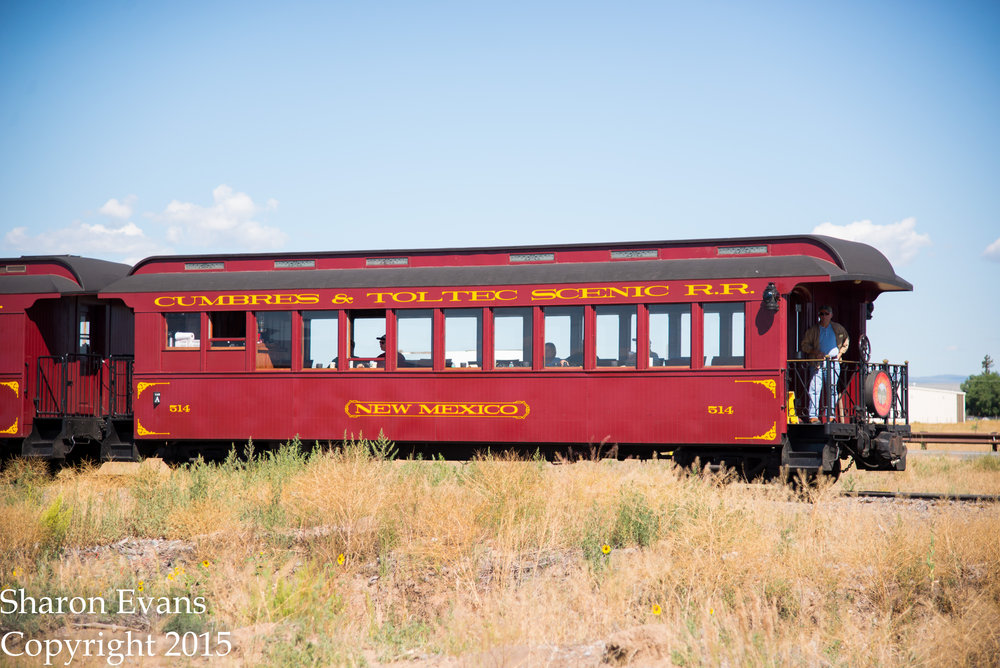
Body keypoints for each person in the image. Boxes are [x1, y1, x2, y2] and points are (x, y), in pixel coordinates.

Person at [800, 305, 849, 423]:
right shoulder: (813, 330)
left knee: (832, 389)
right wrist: (815, 352)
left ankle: (831, 416)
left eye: (826, 314)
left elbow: (846, 340)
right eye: (821, 314)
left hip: (833, 362)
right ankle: (813, 416)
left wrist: (840, 354)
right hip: (818, 363)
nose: (823, 316)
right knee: (815, 388)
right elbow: (804, 345)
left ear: (831, 315)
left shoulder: (837, 328)